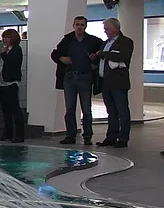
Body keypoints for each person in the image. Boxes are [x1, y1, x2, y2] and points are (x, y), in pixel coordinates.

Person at [50, 16, 103, 145]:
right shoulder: (67, 40)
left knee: (86, 109)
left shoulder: (94, 41)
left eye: (82, 25)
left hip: (85, 77)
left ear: (85, 26)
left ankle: (87, 135)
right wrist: (62, 59)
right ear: (73, 26)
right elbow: (55, 53)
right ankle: (70, 135)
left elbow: (101, 54)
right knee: (70, 108)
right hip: (69, 77)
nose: (79, 27)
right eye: (77, 24)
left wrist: (94, 62)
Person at [94, 17, 135, 148]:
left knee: (122, 111)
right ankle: (111, 137)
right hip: (105, 83)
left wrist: (103, 54)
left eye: (107, 28)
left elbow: (122, 57)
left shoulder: (126, 42)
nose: (105, 31)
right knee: (111, 111)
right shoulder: (105, 43)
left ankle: (123, 139)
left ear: (116, 28)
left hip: (118, 83)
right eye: (104, 29)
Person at [0, 29, 25, 143]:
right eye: (3, 37)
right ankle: (8, 133)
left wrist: (3, 53)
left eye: (7, 37)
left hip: (11, 83)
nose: (4, 40)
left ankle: (19, 135)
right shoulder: (7, 50)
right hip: (2, 83)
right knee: (5, 110)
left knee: (15, 110)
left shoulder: (17, 49)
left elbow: (11, 63)